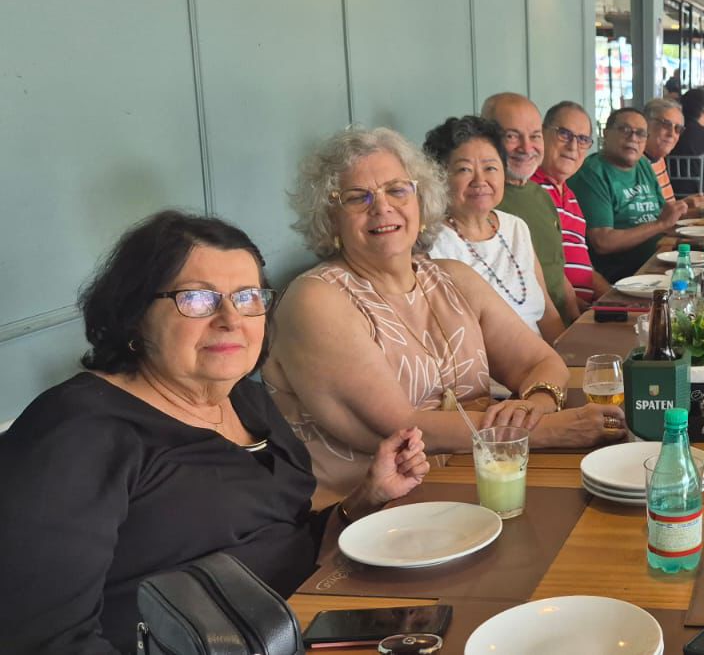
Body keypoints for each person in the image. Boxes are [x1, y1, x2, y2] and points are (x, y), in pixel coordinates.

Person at [0, 211, 430, 653]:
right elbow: (41, 639)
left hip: (297, 626)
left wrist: (366, 497)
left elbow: (283, 544)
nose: (230, 318)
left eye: (247, 297)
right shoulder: (75, 434)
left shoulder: (245, 400)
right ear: (136, 314)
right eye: (197, 299)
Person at [266, 127, 626, 506]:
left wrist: (536, 405)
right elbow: (399, 427)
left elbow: (541, 362)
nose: (382, 207)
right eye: (358, 197)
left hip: (477, 485)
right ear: (330, 218)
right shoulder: (316, 299)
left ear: (421, 203)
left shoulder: (452, 278)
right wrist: (547, 431)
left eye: (397, 190)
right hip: (372, 515)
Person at [423, 115, 565, 339]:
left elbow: (546, 312)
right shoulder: (429, 241)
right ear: (439, 178)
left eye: (490, 168)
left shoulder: (516, 227)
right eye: (464, 169)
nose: (480, 181)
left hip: (541, 357)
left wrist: (566, 356)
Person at [480, 92, 579, 324]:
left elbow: (557, 273)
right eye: (512, 136)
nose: (526, 148)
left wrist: (578, 323)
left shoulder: (541, 195)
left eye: (535, 136)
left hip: (562, 327)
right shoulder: (483, 203)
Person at [571, 108, 689, 282]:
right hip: (624, 277)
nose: (633, 138)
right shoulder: (592, 173)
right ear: (606, 134)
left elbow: (665, 215)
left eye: (640, 133)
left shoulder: (642, 164)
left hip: (658, 261)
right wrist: (660, 224)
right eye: (625, 130)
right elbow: (602, 242)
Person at [533, 102, 609, 306]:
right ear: (542, 133)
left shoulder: (571, 196)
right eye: (564, 134)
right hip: (557, 313)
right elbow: (538, 273)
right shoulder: (530, 191)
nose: (573, 147)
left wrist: (614, 299)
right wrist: (580, 311)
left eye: (583, 139)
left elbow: (584, 269)